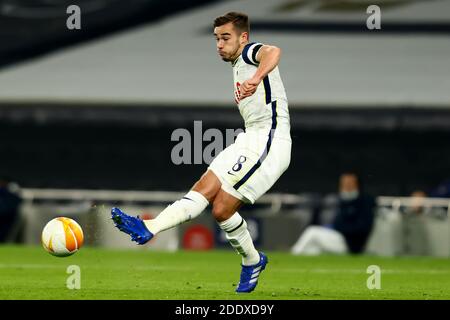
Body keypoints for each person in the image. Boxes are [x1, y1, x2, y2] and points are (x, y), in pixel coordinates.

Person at [111, 12, 291, 293]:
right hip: (250, 137)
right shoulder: (236, 63)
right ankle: (153, 228)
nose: (219, 44)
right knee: (210, 196)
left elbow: (273, 51)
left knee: (219, 206)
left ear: (243, 38)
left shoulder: (249, 53)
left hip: (271, 140)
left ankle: (154, 228)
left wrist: (256, 78)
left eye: (226, 38)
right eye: (217, 39)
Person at [291, 173, 375, 255]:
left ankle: (293, 254)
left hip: (350, 244)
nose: (345, 186)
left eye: (349, 183)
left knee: (312, 231)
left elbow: (363, 227)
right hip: (339, 239)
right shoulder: (343, 201)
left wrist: (339, 227)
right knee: (313, 249)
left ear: (357, 184)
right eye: (343, 183)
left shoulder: (363, 202)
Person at [0, 176, 23, 242]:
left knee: (4, 234)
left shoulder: (11, 191)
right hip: (6, 217)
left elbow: (18, 201)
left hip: (8, 217)